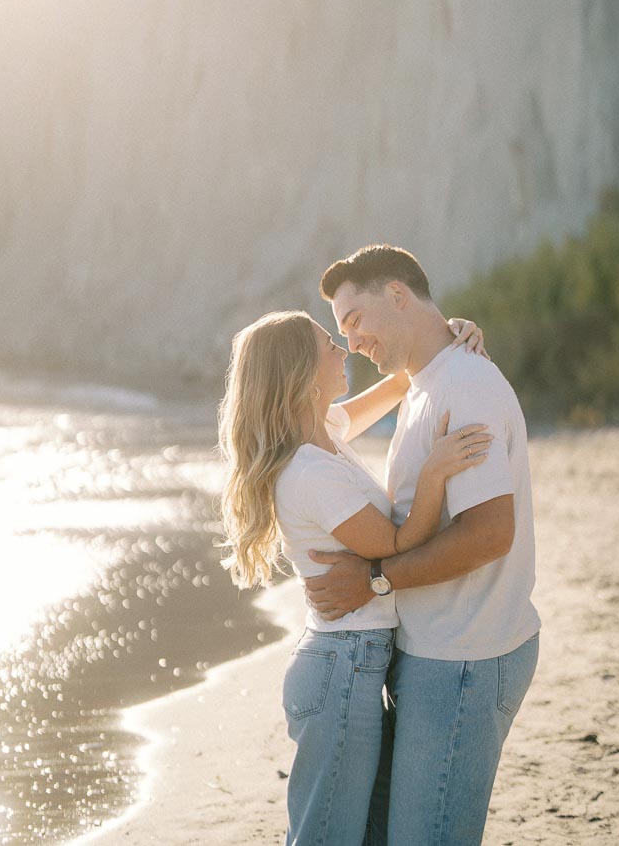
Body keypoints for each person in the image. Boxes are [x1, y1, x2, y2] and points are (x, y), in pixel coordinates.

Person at [217, 308, 490, 846]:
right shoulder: (309, 471)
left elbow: (399, 384)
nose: (343, 351)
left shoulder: (325, 433)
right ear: (301, 375)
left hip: (353, 665)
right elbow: (397, 543)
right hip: (342, 669)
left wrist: (451, 336)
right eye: (329, 347)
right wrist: (435, 472)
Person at [307, 244, 540, 846]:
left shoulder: (464, 385)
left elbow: (491, 533)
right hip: (434, 650)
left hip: (465, 655)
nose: (352, 342)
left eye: (355, 320)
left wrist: (375, 580)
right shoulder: (425, 383)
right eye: (341, 331)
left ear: (398, 296)